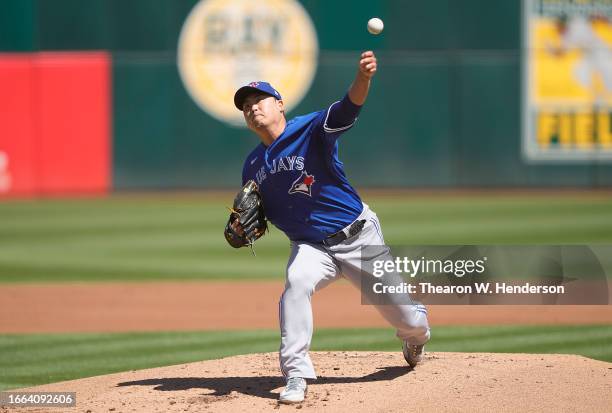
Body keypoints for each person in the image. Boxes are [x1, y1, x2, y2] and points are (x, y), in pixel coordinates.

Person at [230, 51, 431, 404]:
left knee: (409, 321)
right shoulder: (251, 166)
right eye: (245, 105)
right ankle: (295, 374)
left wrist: (363, 78)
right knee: (296, 282)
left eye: (259, 99)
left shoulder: (309, 129)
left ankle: (416, 334)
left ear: (279, 104)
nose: (252, 107)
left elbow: (347, 108)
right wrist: (243, 228)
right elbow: (262, 211)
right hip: (311, 247)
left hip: (358, 236)